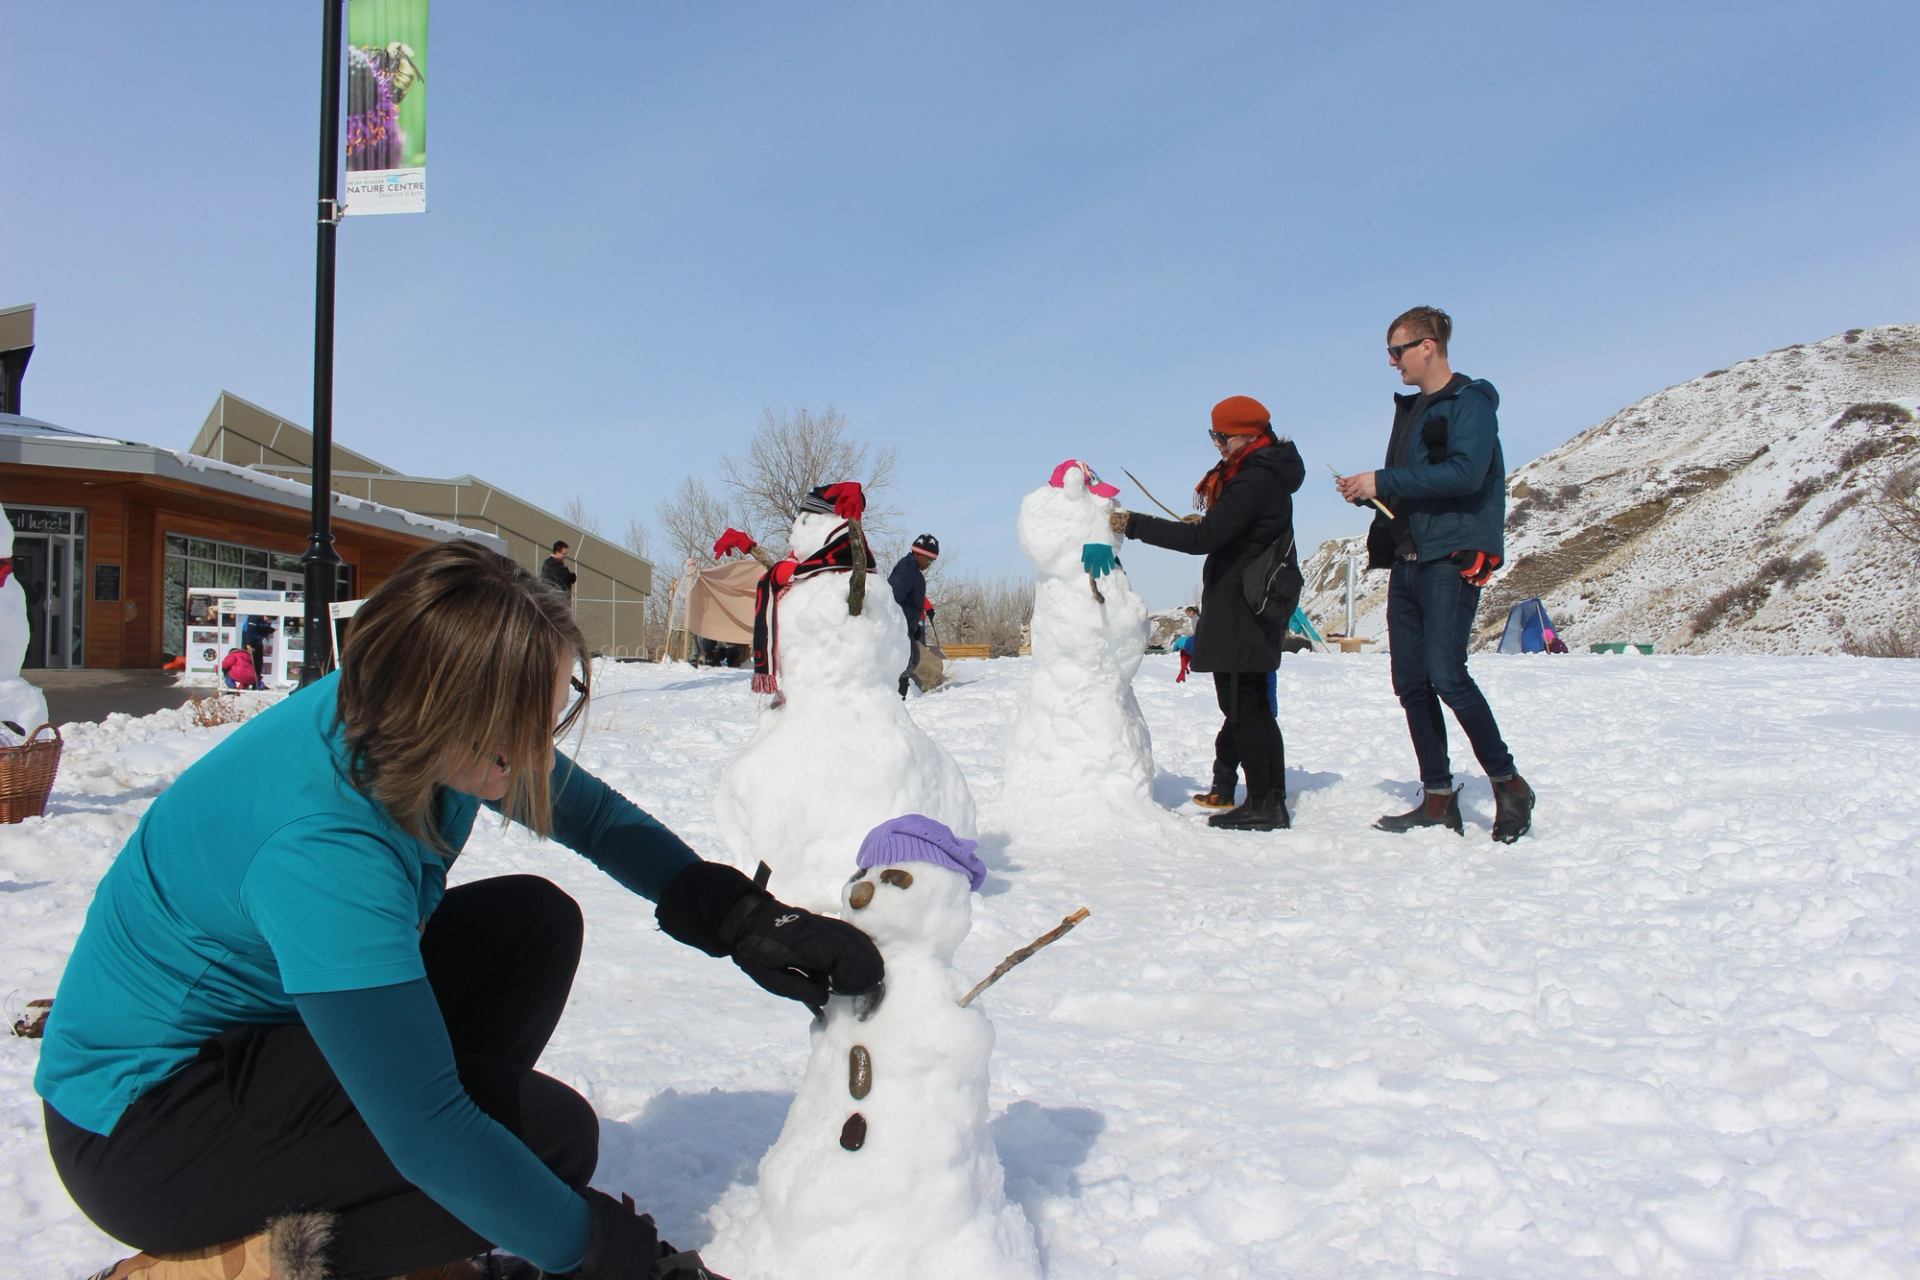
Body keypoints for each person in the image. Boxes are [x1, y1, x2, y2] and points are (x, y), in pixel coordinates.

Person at [36, 541, 883, 1280]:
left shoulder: (413, 726)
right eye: (520, 730)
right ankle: (233, 1267)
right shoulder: (326, 847)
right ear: (441, 711)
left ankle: (421, 1219)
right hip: (146, 1128)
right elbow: (427, 1128)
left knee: (532, 926)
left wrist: (739, 917)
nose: (537, 757)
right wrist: (588, 1249)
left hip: (263, 1036)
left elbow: (588, 815)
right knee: (546, 1147)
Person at [1335, 305, 1535, 842]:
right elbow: (1416, 482)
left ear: (1429, 346)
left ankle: (1509, 783)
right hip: (1409, 558)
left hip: (1449, 558)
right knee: (1411, 683)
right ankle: (1439, 797)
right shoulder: (1414, 411)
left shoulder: (1468, 404)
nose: (1392, 361)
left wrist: (1385, 478)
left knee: (1447, 674)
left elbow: (1469, 474)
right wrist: (1373, 492)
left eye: (1397, 350)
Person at [1112, 395, 1304, 831]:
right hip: (1250, 601)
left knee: (1244, 709)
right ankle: (1268, 797)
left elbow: (1207, 541)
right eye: (1213, 435)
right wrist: (1213, 526)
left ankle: (1263, 804)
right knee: (1251, 706)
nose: (1217, 444)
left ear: (1250, 435)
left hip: (1243, 605)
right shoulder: (1262, 472)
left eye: (1223, 436)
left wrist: (1135, 524)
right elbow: (1230, 532)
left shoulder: (1255, 478)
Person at [888, 533, 939, 698]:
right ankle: (899, 695)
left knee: (912, 660)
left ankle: (901, 694)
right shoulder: (906, 570)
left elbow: (913, 602)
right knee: (904, 663)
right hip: (899, 630)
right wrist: (901, 628)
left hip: (908, 628)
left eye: (932, 561)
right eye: (929, 559)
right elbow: (894, 599)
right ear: (918, 553)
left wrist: (915, 626)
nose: (930, 564)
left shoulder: (913, 570)